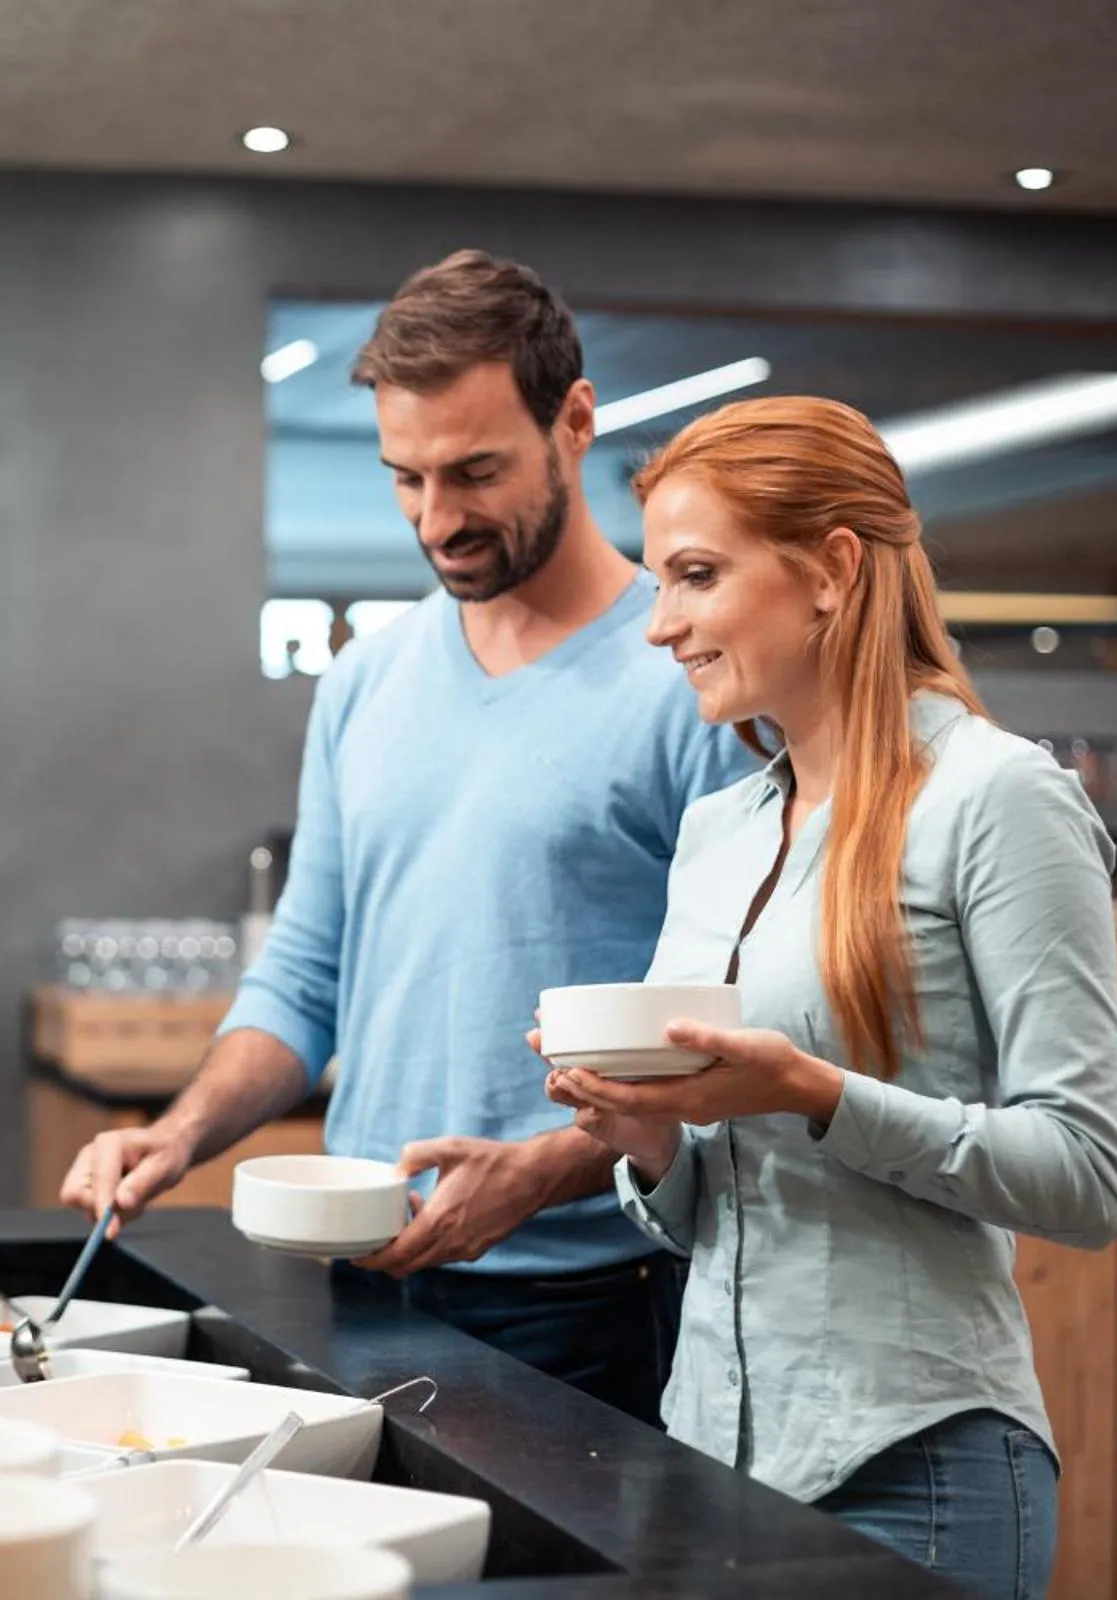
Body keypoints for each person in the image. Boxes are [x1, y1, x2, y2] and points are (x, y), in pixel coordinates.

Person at [59, 251, 749, 1423]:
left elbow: (731, 1030)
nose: (439, 520)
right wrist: (177, 1134)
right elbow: (304, 973)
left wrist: (537, 1173)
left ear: (575, 422)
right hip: (365, 1279)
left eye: (476, 472)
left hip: (596, 1289)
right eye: (405, 479)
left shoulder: (685, 677)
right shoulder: (364, 682)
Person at [543, 395, 1117, 1598]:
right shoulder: (717, 830)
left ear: (833, 569)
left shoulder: (996, 799)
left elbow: (1086, 1177)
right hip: (705, 1453)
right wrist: (650, 1141)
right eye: (659, 582)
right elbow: (718, 1207)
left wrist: (817, 1094)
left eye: (696, 575)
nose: (661, 626)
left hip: (915, 1468)